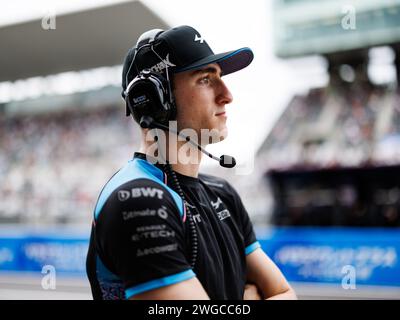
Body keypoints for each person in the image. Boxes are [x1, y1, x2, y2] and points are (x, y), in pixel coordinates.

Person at [86, 25, 296, 300]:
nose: (227, 95)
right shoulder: (136, 200)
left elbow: (284, 293)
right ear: (151, 99)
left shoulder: (223, 193)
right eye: (206, 80)